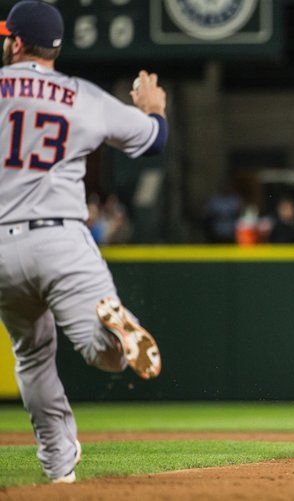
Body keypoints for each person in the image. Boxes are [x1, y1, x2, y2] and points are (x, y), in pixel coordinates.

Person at [0, 1, 167, 483]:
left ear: (15, 43)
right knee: (101, 353)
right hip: (60, 239)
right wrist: (153, 110)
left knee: (32, 356)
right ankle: (118, 332)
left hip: (3, 252)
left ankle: (57, 464)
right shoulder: (80, 96)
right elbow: (153, 141)